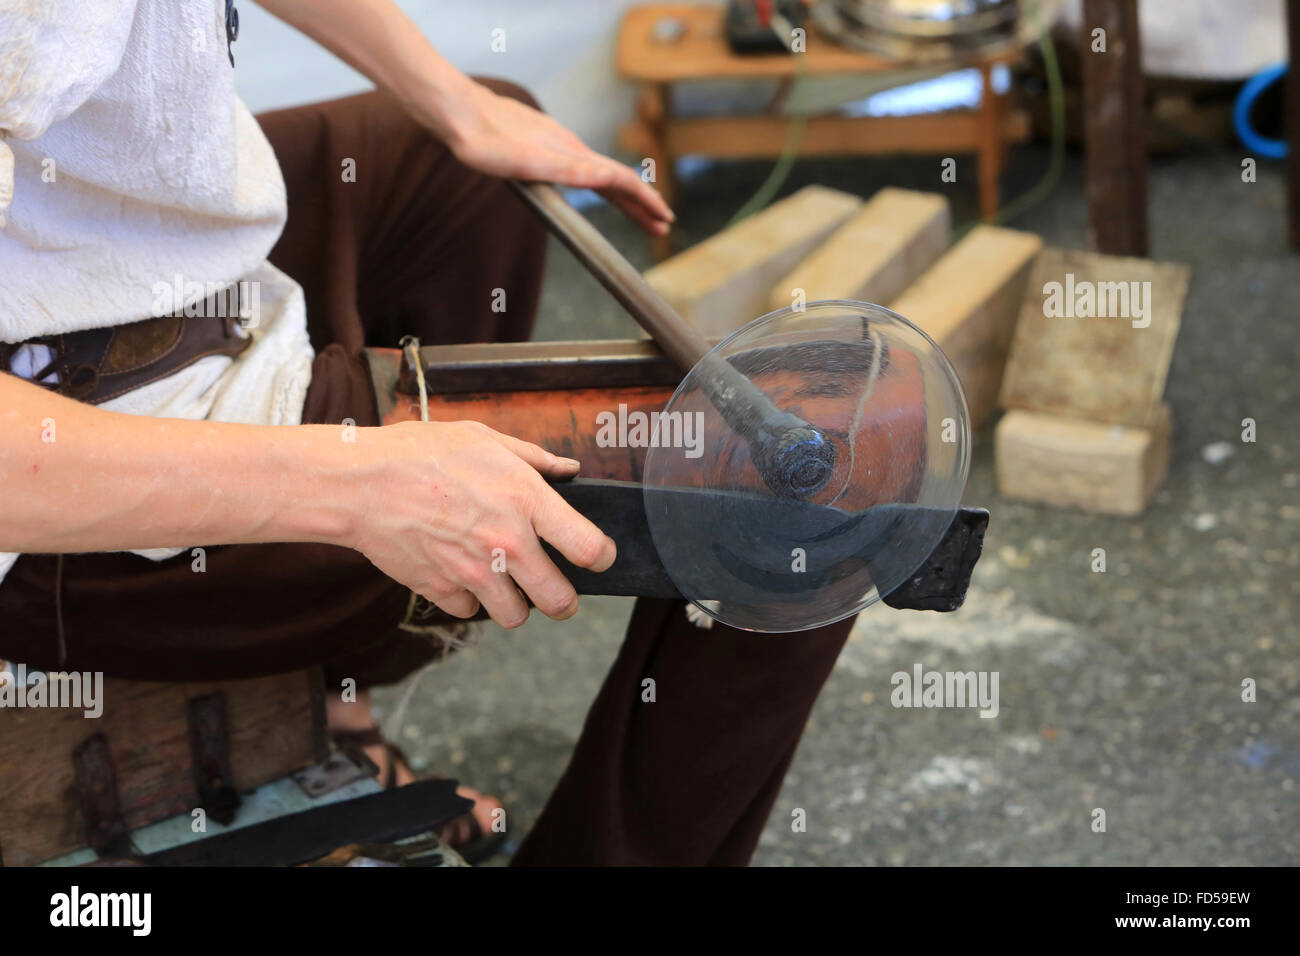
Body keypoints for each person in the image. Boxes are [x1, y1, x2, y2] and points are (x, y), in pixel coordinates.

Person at [0, 0, 858, 865]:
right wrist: (361, 485)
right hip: (53, 489)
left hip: (124, 278)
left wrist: (451, 99)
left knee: (464, 164)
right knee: (793, 513)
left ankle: (337, 700)